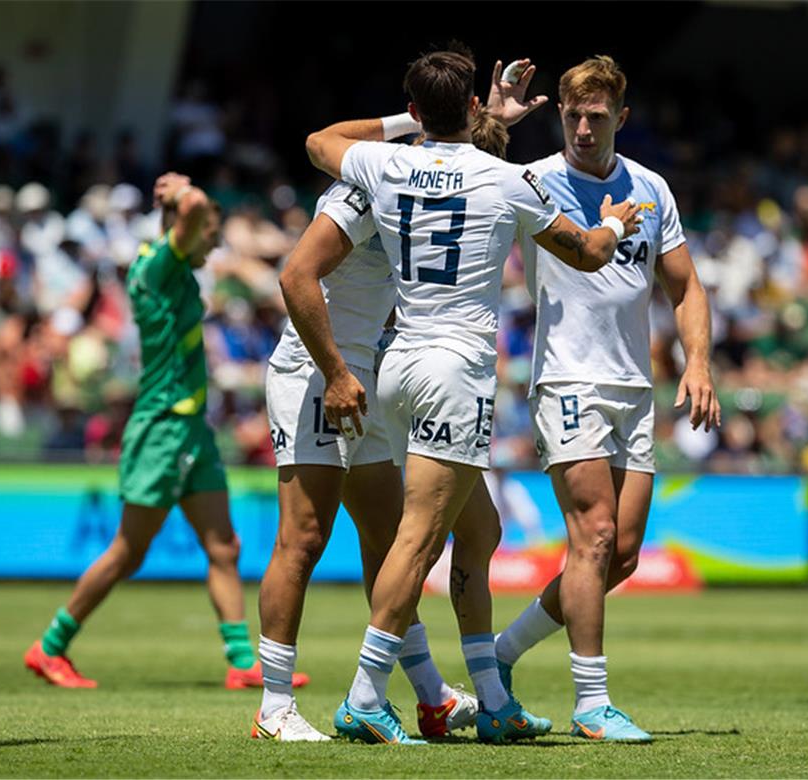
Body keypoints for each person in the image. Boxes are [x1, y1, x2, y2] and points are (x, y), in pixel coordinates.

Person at [303, 43, 642, 744]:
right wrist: (615, 222)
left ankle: (491, 696)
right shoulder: (509, 179)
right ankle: (365, 695)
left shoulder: (386, 161)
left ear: (417, 109)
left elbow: (319, 142)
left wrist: (411, 123)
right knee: (419, 539)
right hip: (456, 372)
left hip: (395, 365)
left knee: (478, 531)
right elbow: (587, 251)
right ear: (474, 108)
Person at [252, 108, 515, 742]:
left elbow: (458, 139)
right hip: (319, 373)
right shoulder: (372, 185)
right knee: (303, 538)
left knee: (390, 540)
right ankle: (274, 708)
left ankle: (431, 696)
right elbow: (295, 275)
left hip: (363, 372)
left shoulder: (417, 179)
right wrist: (338, 373)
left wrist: (489, 113)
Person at [484, 55, 721, 743]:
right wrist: (491, 121)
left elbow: (687, 287)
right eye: (572, 114)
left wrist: (698, 363)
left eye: (596, 115)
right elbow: (463, 171)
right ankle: (592, 702)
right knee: (592, 534)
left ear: (622, 116)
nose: (584, 127)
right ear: (559, 114)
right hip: (566, 379)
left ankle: (500, 654)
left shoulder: (651, 189)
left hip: (633, 389)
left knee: (619, 555)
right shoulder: (534, 183)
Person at [23, 172, 306, 692]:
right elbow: (194, 204)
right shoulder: (159, 264)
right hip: (162, 429)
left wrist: (180, 203)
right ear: (185, 228)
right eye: (209, 232)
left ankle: (243, 661)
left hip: (190, 431)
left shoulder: (168, 265)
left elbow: (193, 212)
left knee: (223, 546)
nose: (215, 242)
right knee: (128, 551)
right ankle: (50, 647)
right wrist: (179, 192)